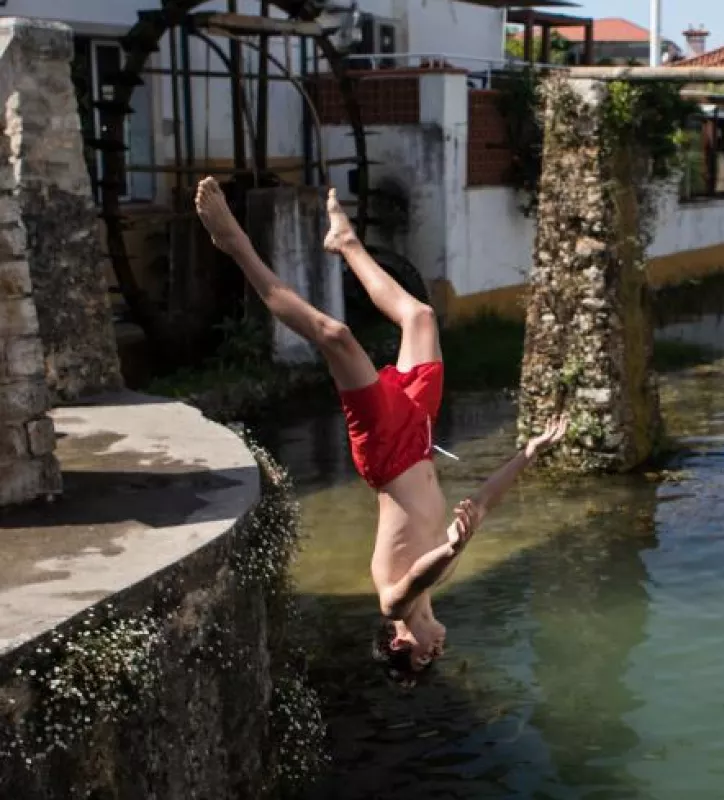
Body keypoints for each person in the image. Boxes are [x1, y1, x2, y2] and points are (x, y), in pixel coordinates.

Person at [193, 177, 568, 684]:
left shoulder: (394, 601)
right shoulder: (447, 574)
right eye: (432, 662)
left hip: (388, 456)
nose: (434, 654)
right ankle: (346, 242)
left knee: (335, 336)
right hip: (419, 437)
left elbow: (418, 574)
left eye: (420, 658)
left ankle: (233, 244)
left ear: (397, 641)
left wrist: (453, 547)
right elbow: (482, 502)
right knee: (420, 317)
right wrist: (529, 452)